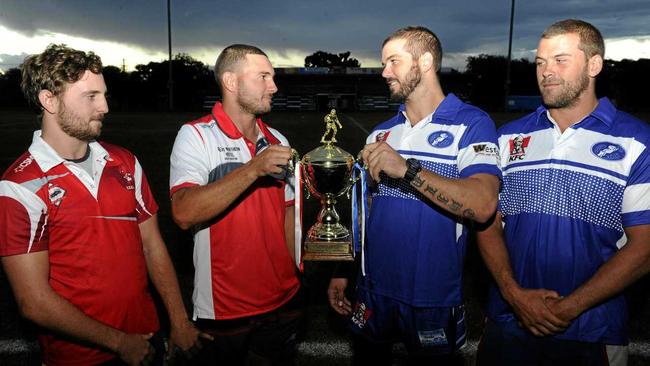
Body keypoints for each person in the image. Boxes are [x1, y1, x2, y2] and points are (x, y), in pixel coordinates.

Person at [0, 44, 204, 365]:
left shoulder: (124, 163)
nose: (105, 107)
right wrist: (119, 342)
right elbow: (33, 301)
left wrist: (178, 320)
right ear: (48, 100)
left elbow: (152, 246)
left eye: (104, 94)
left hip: (148, 339)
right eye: (91, 96)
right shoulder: (20, 186)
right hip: (78, 357)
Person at [476, 19, 650, 366]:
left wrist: (568, 308)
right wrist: (514, 295)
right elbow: (487, 222)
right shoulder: (509, 137)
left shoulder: (637, 141)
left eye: (560, 60)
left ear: (594, 64)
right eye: (540, 62)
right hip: (508, 322)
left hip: (593, 330)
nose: (546, 72)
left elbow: (644, 247)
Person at [327, 26, 501, 365]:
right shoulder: (383, 132)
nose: (384, 72)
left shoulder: (471, 125)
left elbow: (482, 205)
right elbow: (366, 212)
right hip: (372, 291)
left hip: (431, 297)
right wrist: (343, 270)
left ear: (424, 61)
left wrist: (406, 169)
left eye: (394, 61)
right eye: (384, 63)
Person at [169, 44, 303, 365]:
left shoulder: (278, 141)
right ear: (231, 82)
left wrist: (298, 275)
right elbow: (184, 212)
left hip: (282, 302)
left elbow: (287, 214)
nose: (274, 86)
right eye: (263, 77)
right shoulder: (196, 136)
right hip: (225, 307)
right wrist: (253, 169)